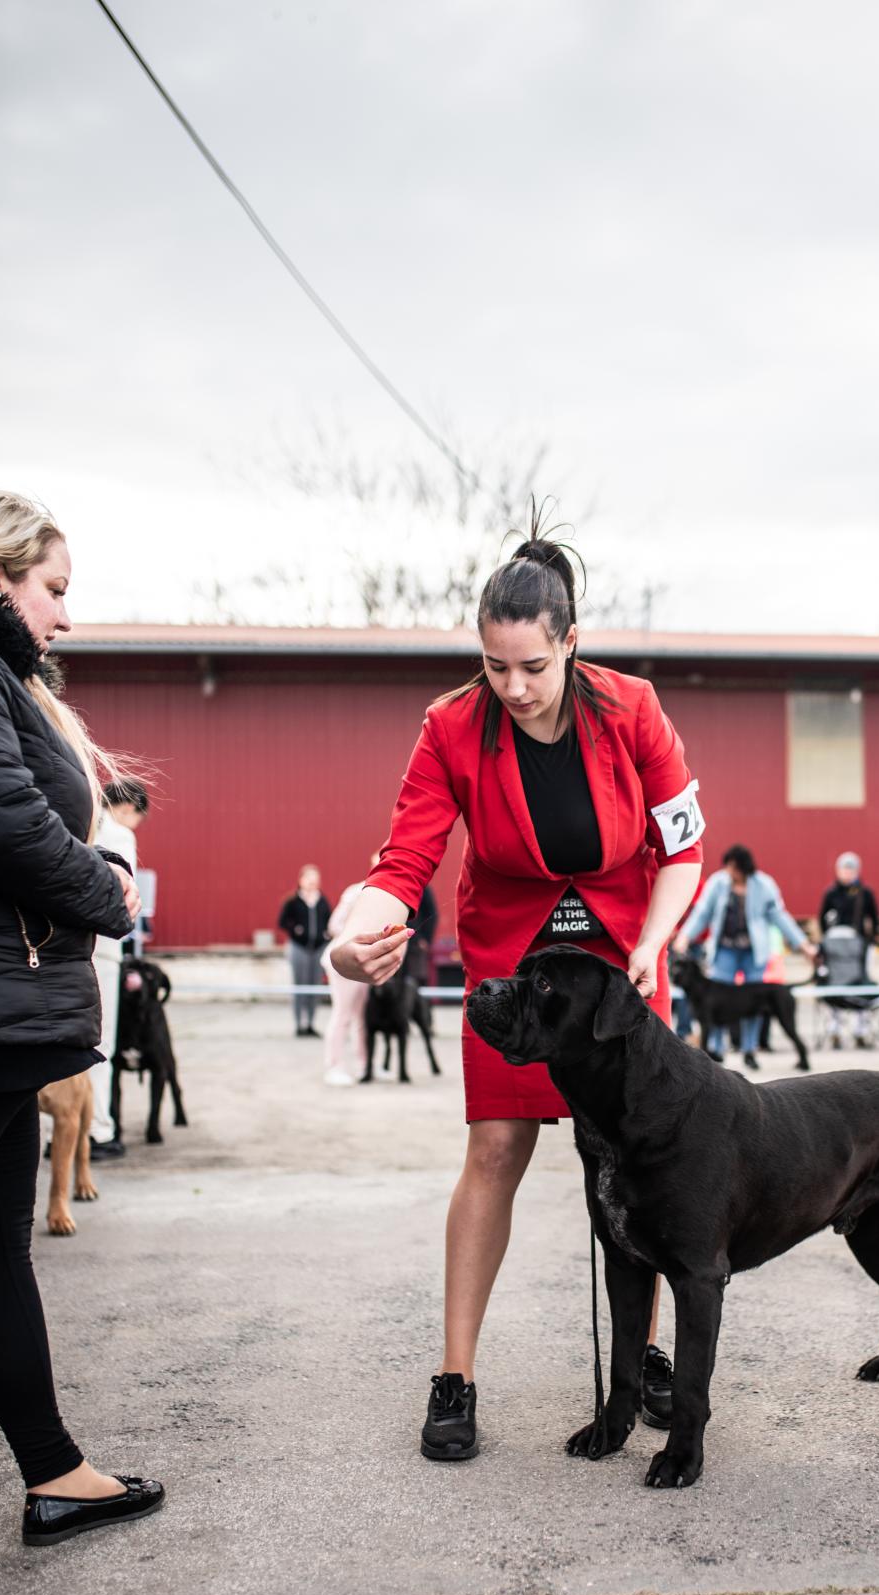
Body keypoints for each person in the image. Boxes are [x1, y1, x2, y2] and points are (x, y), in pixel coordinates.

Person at [330, 521, 704, 1461]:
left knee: (645, 1160)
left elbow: (684, 849)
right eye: (495, 666)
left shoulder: (633, 708)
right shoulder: (451, 725)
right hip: (514, 960)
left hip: (621, 960)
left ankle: (645, 1357)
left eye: (533, 666)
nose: (514, 687)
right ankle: (454, 1376)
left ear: (570, 642)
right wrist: (352, 940)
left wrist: (652, 945)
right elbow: (404, 860)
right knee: (495, 1149)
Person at [0, 490, 164, 1544]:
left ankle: (55, 1472)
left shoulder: (10, 683)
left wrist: (93, 860)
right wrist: (108, 889)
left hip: (14, 1016)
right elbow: (9, 822)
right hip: (1, 1010)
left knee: (0, 1254)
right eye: (52, 589)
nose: (64, 614)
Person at [673, 845, 817, 1067]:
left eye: (734, 867)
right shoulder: (718, 883)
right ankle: (716, 1050)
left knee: (753, 1004)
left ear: (744, 868)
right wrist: (684, 936)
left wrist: (804, 945)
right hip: (725, 950)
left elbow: (780, 917)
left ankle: (750, 1051)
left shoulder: (764, 885)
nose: (729, 871)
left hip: (754, 952)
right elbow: (702, 913)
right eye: (728, 866)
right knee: (716, 1002)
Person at [88, 778, 148, 1158]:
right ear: (129, 808)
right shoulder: (119, 834)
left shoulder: (74, 823)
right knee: (99, 1044)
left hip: (59, 949)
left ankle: (56, 1132)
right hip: (102, 949)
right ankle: (98, 1130)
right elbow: (122, 898)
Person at [818, 852, 879, 1049]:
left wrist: (870, 941)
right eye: (844, 869)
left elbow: (874, 919)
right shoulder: (831, 893)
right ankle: (835, 1030)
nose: (847, 873)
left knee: (861, 986)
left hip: (859, 949)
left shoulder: (865, 893)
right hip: (836, 951)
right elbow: (822, 919)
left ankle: (861, 1030)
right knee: (835, 987)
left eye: (851, 869)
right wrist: (828, 943)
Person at [321, 874, 371, 1086]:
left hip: (364, 960)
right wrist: (360, 937)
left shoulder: (385, 895)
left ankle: (365, 1066)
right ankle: (334, 1067)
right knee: (342, 1014)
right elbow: (334, 925)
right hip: (343, 958)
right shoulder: (356, 891)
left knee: (362, 1017)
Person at [278, 865, 331, 1037]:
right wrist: (296, 930)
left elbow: (329, 921)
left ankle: (310, 1023)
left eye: (315, 879)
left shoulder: (322, 901)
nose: (312, 882)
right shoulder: (293, 901)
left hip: (318, 949)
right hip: (299, 948)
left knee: (314, 985)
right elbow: (283, 922)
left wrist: (325, 935)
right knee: (300, 985)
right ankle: (299, 1023)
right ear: (301, 880)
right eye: (309, 879)